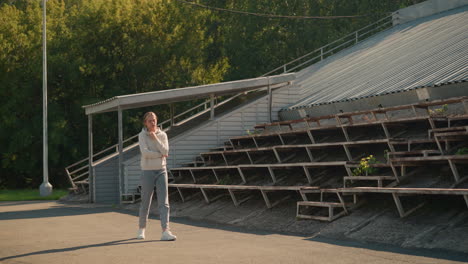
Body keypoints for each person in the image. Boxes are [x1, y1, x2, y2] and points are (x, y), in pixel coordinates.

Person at [137, 112, 177, 241]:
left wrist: (155, 139)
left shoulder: (163, 135)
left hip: (161, 170)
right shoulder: (142, 136)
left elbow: (166, 151)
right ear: (145, 123)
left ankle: (165, 231)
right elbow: (145, 153)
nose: (152, 123)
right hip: (147, 171)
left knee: (164, 202)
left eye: (154, 120)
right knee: (145, 201)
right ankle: (141, 229)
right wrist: (160, 155)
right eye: (149, 121)